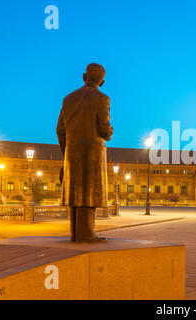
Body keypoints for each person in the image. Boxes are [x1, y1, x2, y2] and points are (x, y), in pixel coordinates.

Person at [56, 63, 114, 242]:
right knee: (90, 191)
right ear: (102, 81)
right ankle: (87, 234)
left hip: (72, 153)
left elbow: (60, 130)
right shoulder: (102, 98)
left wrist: (67, 153)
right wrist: (110, 131)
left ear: (84, 77)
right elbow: (105, 131)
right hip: (93, 153)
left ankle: (75, 234)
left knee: (76, 192)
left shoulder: (68, 99)